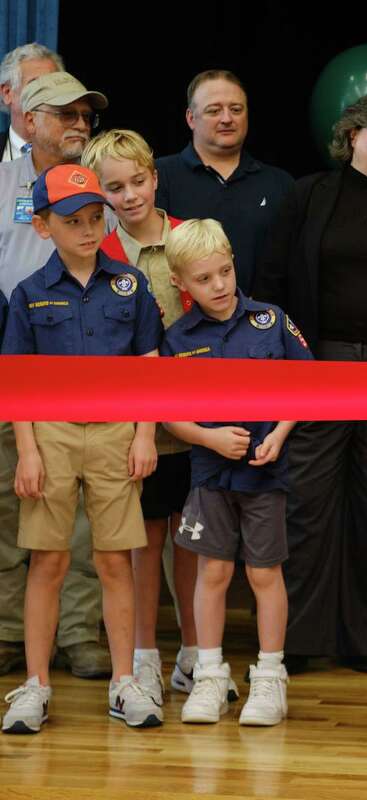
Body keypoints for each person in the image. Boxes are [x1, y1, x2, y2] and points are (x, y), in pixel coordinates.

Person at [253, 91, 367, 674]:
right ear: (352, 135)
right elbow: (272, 279)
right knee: (308, 503)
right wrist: (284, 356)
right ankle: (299, 638)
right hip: (316, 368)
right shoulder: (309, 194)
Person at [0, 164, 163, 733]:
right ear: (43, 227)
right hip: (51, 434)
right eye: (74, 221)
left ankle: (125, 682)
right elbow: (16, 381)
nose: (89, 230)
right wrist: (27, 450)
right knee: (48, 559)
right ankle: (35, 685)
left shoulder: (130, 284)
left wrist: (145, 434)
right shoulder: (28, 294)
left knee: (116, 559)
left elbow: (149, 369)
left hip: (118, 433)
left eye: (97, 218)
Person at [160, 219, 312, 727]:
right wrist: (208, 438)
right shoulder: (177, 338)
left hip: (265, 476)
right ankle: (209, 674)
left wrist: (279, 434)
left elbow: (304, 384)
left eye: (224, 271)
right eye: (204, 279)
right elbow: (169, 413)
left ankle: (269, 676)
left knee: (264, 572)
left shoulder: (270, 320)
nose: (220, 285)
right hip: (209, 476)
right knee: (213, 571)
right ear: (181, 283)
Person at [0, 70, 111, 681]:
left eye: (85, 116)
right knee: (13, 501)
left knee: (87, 514)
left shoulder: (96, 186)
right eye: (65, 114)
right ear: (29, 120)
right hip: (17, 360)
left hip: (87, 365)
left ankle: (78, 635)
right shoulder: (2, 181)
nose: (78, 125)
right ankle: (11, 633)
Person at [81, 129, 198, 702]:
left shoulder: (190, 238)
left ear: (155, 177)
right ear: (100, 196)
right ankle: (147, 655)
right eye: (114, 189)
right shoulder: (101, 256)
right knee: (144, 543)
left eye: (137, 182)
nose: (129, 196)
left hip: (198, 418)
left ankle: (197, 657)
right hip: (136, 429)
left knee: (196, 539)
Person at [154, 70, 293, 290]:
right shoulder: (158, 177)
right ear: (191, 118)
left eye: (236, 109)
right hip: (183, 320)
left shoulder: (279, 183)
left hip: (263, 320)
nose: (227, 118)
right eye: (214, 110)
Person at [0, 44, 62, 162]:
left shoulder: (74, 151)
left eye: (53, 84)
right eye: (35, 84)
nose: (47, 93)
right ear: (7, 93)